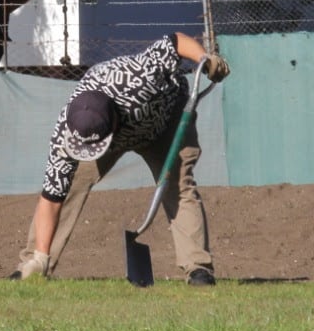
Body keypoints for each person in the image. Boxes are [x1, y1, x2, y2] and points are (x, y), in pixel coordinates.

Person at [11, 32, 230, 286]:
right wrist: (40, 257)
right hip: (114, 133)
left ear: (115, 121)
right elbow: (51, 199)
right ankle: (34, 265)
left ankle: (198, 269)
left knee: (178, 186)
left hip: (166, 118)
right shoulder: (67, 133)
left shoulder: (138, 79)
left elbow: (175, 41)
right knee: (69, 185)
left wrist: (206, 58)